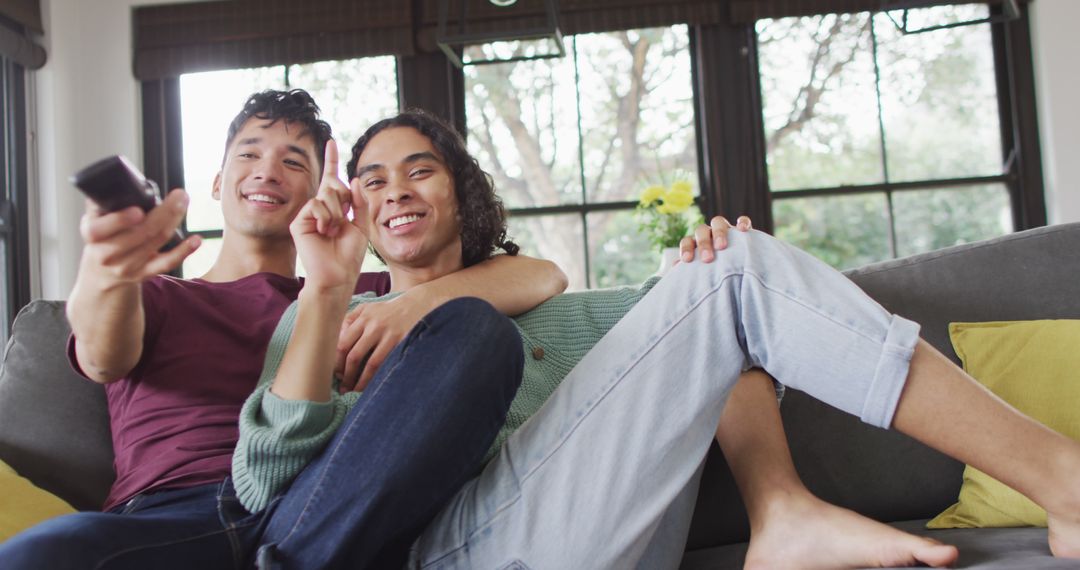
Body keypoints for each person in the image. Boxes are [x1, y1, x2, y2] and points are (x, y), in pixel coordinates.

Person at [235, 108, 1080, 570]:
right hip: (461, 548)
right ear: (362, 217)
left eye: (419, 167)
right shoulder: (329, 315)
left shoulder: (562, 308)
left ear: (462, 193)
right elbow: (263, 485)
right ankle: (1068, 483)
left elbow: (736, 342)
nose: (394, 189)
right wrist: (328, 290)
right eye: (371, 179)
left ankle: (788, 518)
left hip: (604, 534)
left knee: (730, 264)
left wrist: (697, 271)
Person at [0, 90, 568, 569]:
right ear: (220, 181)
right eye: (250, 154)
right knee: (41, 555)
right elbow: (102, 357)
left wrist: (405, 306)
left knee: (473, 328)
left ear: (327, 196)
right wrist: (106, 275)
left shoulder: (358, 290)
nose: (268, 171)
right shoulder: (154, 295)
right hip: (180, 515)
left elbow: (539, 275)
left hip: (323, 497)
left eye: (295, 162)